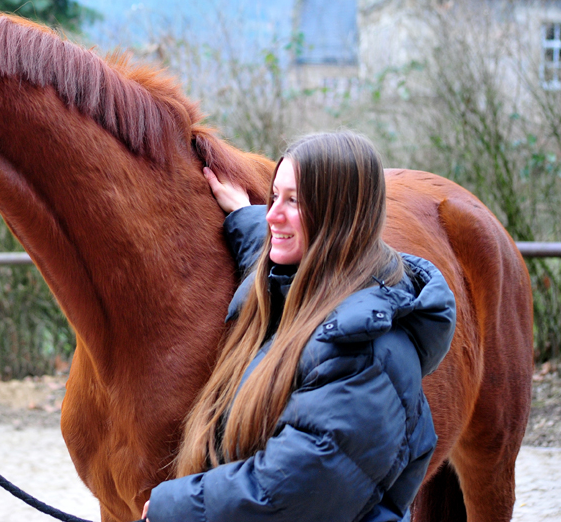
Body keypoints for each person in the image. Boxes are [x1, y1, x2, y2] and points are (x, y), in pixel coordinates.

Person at [142, 132, 456, 522]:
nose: (272, 214)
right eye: (274, 196)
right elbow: (274, 265)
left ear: (338, 216)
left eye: (293, 201)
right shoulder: (313, 287)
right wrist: (244, 214)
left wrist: (176, 507)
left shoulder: (367, 352)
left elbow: (290, 490)